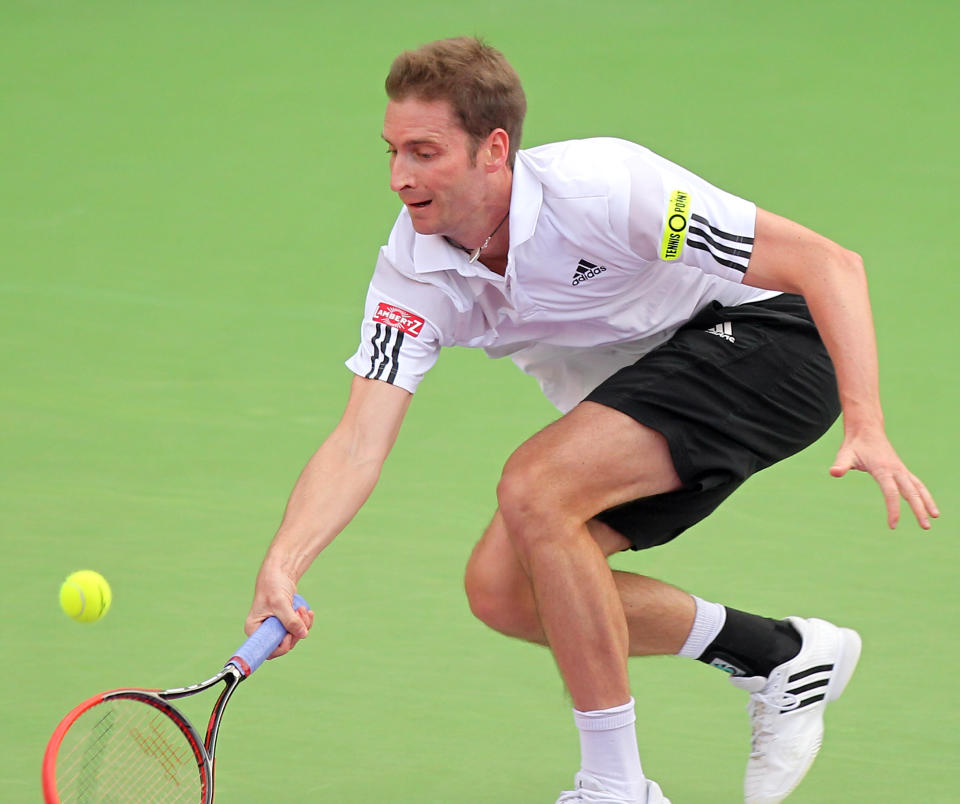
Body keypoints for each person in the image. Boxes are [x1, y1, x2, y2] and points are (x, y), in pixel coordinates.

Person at [245, 37, 939, 804]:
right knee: (504, 591)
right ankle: (781, 656)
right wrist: (284, 562)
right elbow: (355, 442)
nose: (398, 176)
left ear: (493, 150)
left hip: (773, 344)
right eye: (391, 151)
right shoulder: (414, 273)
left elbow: (828, 263)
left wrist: (866, 421)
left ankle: (615, 787)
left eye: (423, 151)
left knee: (537, 486)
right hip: (648, 396)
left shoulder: (606, 191)